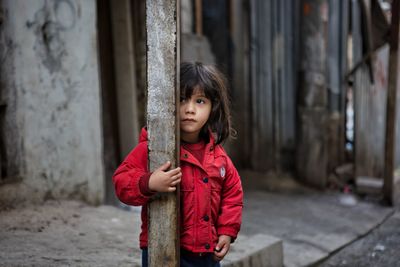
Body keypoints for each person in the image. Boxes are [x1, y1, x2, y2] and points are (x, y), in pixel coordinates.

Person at [113, 62, 243, 267]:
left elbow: (232, 196)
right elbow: (121, 182)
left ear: (213, 107)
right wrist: (148, 183)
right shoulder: (152, 149)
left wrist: (227, 231)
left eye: (200, 101)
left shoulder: (218, 157)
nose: (189, 109)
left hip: (206, 254)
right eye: (181, 99)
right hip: (162, 249)